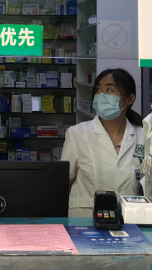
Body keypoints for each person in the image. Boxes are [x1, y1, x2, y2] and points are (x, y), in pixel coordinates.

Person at [61, 68, 146, 217]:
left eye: (109, 90)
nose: (101, 95)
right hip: (84, 220)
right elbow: (64, 184)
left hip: (129, 221)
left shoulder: (143, 136)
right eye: (98, 90)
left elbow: (147, 187)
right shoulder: (77, 134)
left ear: (129, 99)